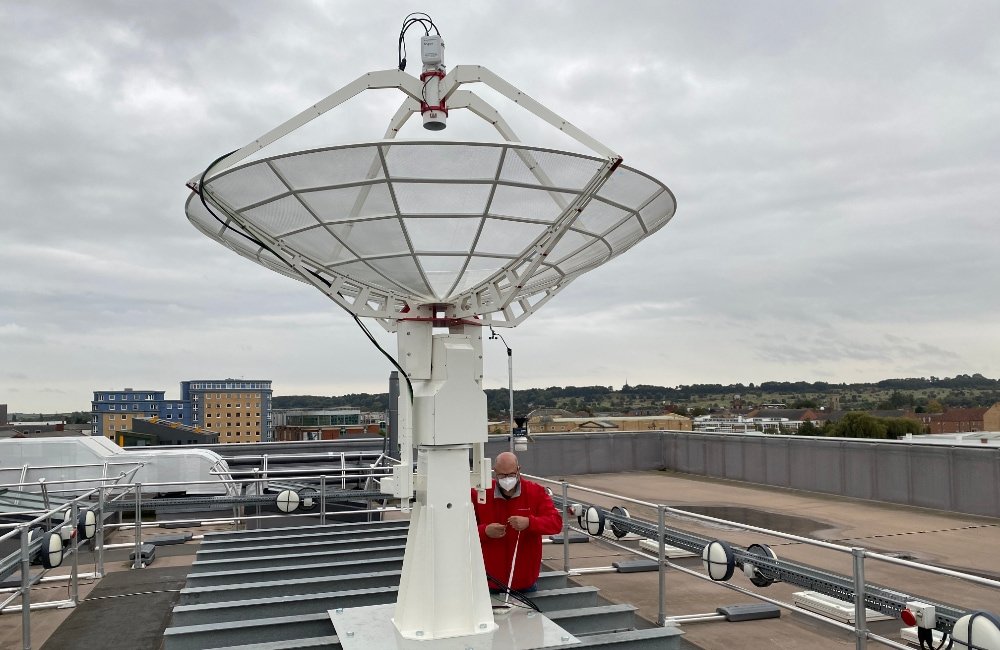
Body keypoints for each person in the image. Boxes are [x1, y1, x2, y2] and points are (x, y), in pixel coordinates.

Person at [472, 451, 563, 593]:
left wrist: (530, 523)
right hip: (490, 582)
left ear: (518, 470)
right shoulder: (480, 494)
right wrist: (484, 531)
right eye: (502, 475)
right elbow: (462, 529)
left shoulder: (535, 492)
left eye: (511, 474)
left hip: (525, 582)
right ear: (495, 472)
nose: (507, 479)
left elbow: (556, 523)